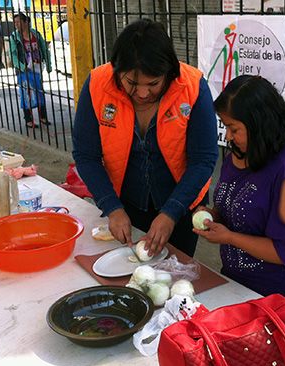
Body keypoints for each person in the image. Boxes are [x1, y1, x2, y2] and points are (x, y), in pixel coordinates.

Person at [72, 19, 218, 257]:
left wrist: (172, 212)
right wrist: (111, 207)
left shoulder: (192, 87)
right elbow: (86, 155)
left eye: (153, 84)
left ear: (169, 73)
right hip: (124, 205)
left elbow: (204, 160)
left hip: (181, 204)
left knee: (173, 274)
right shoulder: (97, 85)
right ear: (117, 70)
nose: (141, 93)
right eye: (131, 82)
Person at [193, 75, 285, 310]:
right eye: (226, 127)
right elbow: (238, 211)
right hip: (233, 285)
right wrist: (213, 217)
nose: (229, 137)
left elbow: (284, 251)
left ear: (259, 124)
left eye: (234, 129)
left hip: (276, 299)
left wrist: (228, 237)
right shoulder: (240, 155)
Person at [9, 12, 51, 128]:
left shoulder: (35, 34)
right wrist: (22, 67)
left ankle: (43, 117)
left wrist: (48, 64)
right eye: (15, 22)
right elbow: (13, 55)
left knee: (39, 91)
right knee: (26, 93)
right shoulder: (14, 37)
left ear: (26, 22)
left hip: (37, 67)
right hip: (23, 70)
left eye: (18, 22)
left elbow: (44, 49)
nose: (16, 25)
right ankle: (28, 119)